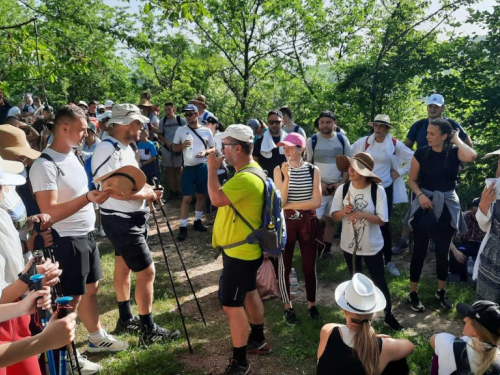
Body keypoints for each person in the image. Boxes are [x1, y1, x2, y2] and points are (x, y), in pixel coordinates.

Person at [30, 105, 126, 374]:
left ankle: (95, 338)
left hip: (85, 234)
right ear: (64, 128)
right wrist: (86, 198)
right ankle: (69, 357)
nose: (86, 134)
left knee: (91, 287)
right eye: (82, 129)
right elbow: (48, 213)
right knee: (68, 300)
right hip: (64, 240)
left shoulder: (73, 155)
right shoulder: (44, 165)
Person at [92, 103, 180, 345]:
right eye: (138, 123)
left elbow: (131, 183)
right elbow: (107, 189)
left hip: (130, 217)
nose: (142, 127)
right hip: (121, 220)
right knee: (147, 272)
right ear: (126, 124)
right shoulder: (106, 149)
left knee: (123, 267)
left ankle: (125, 318)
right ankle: (148, 330)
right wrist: (144, 195)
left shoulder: (125, 147)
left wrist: (150, 189)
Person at [208, 124, 270, 375]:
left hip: (239, 254)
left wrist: (211, 171)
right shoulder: (252, 171)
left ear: (237, 148)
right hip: (245, 249)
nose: (221, 150)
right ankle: (258, 339)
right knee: (249, 292)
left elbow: (216, 199)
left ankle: (240, 362)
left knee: (231, 305)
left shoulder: (246, 177)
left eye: (225, 145)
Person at [406, 119, 477, 312]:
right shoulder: (421, 153)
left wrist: (456, 139)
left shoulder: (455, 153)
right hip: (425, 203)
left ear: (444, 136)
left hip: (447, 205)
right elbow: (412, 181)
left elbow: (472, 156)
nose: (427, 136)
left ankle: (441, 291)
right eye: (427, 133)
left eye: (432, 133)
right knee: (419, 249)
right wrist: (420, 196)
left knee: (443, 250)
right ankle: (413, 292)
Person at [393, 93, 473, 254]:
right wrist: (405, 167)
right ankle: (405, 240)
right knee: (414, 207)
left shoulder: (451, 125)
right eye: (430, 106)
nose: (433, 109)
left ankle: (441, 243)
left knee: (444, 210)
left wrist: (460, 166)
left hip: (444, 177)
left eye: (436, 106)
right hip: (421, 176)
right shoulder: (419, 125)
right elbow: (405, 148)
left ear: (442, 108)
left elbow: (468, 145)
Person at [331, 152, 403, 330]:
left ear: (364, 172)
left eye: (355, 167)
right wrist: (344, 212)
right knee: (354, 280)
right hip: (349, 245)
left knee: (379, 280)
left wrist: (362, 214)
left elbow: (382, 220)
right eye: (350, 166)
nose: (351, 170)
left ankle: (388, 315)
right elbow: (334, 217)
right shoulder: (343, 189)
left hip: (372, 245)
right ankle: (356, 318)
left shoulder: (376, 190)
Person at [351, 114, 414, 277]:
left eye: (381, 126)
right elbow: (349, 154)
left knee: (383, 224)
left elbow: (414, 158)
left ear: (386, 128)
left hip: (385, 189)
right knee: (361, 222)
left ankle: (388, 260)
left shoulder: (393, 144)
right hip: (365, 187)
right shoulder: (364, 142)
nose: (378, 128)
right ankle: (360, 260)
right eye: (376, 125)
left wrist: (399, 172)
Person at [317, 273, 414, 375]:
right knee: (398, 361)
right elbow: (410, 346)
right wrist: (375, 338)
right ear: (373, 312)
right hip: (381, 348)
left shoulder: (327, 330)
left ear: (344, 310)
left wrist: (369, 336)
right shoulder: (385, 347)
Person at [273, 133, 321, 324]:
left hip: (307, 222)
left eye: (291, 147)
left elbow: (316, 202)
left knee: (309, 266)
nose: (286, 150)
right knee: (284, 265)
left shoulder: (313, 170)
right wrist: (286, 177)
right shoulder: (278, 169)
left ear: (301, 149)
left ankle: (312, 304)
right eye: (284, 146)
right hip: (286, 222)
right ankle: (288, 307)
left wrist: (291, 206)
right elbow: (281, 202)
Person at [307, 110, 352, 258]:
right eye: (322, 122)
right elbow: (309, 166)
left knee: (331, 219)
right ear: (318, 124)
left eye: (328, 122)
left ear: (335, 123)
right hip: (319, 187)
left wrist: (342, 183)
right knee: (315, 220)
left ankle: (326, 250)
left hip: (338, 186)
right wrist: (320, 185)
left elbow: (347, 164)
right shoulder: (312, 140)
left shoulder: (342, 139)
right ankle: (314, 248)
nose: (325, 125)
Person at [172, 103, 215, 241]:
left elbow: (213, 149)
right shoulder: (181, 130)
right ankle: (183, 226)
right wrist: (182, 145)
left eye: (190, 114)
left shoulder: (206, 131)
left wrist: (205, 152)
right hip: (188, 167)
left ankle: (197, 221)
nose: (188, 117)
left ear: (197, 114)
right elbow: (174, 148)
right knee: (186, 198)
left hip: (202, 166)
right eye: (186, 114)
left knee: (201, 195)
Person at [430, 300, 500, 375]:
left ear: (476, 332)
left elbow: (433, 339)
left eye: (469, 318)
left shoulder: (446, 342)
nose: (465, 319)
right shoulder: (496, 362)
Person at [473, 153, 500, 303]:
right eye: (499, 162)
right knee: (486, 309)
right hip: (492, 257)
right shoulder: (494, 188)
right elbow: (484, 227)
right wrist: (484, 204)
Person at [449, 198, 485, 282]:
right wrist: (455, 251)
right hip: (464, 245)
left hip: (480, 247)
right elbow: (447, 237)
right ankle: (459, 276)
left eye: (480, 214)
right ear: (471, 209)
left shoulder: (488, 220)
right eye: (475, 213)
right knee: (455, 248)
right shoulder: (461, 218)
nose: (477, 216)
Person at [157, 102, 187, 200]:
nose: (167, 112)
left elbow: (187, 132)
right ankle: (172, 191)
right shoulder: (163, 121)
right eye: (165, 110)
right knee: (169, 170)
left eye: (169, 109)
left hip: (178, 148)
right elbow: (159, 135)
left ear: (173, 109)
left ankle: (179, 190)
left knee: (179, 169)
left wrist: (180, 145)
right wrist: (167, 142)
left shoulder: (180, 120)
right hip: (167, 148)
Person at [252, 110, 287, 179]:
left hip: (285, 181)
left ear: (282, 122)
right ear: (268, 123)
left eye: (277, 122)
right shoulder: (260, 142)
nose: (274, 125)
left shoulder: (288, 141)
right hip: (266, 181)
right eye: (271, 122)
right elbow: (255, 163)